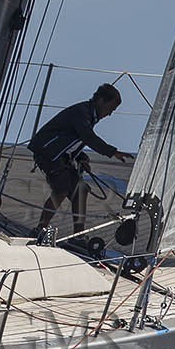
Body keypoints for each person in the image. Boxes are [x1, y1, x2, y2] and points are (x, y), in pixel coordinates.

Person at [31, 83, 131, 246]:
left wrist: (81, 157)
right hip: (47, 152)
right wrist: (113, 152)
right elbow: (87, 136)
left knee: (80, 189)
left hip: (58, 155)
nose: (110, 114)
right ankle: (40, 228)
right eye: (110, 108)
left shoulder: (89, 115)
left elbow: (73, 139)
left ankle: (78, 236)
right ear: (100, 100)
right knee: (62, 187)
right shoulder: (82, 112)